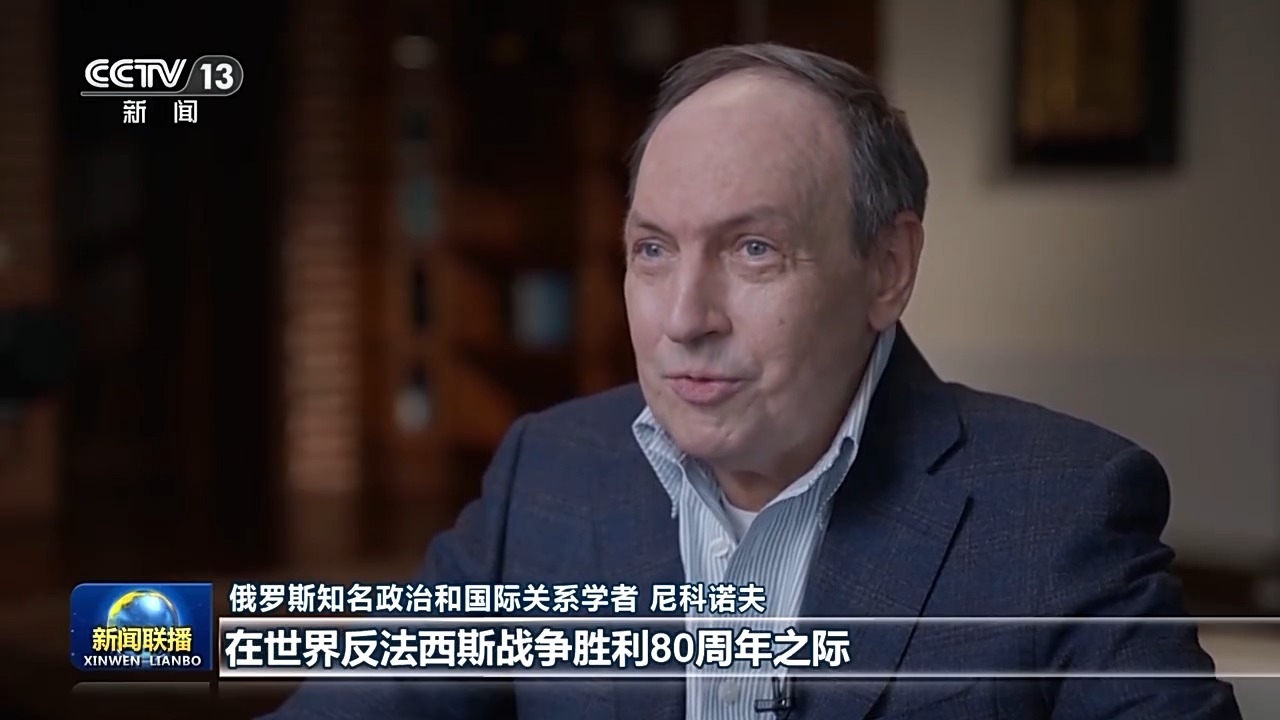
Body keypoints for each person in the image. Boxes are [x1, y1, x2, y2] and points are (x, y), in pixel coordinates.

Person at [263, 43, 1242, 720]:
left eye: (753, 249)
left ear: (887, 269)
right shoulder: (548, 473)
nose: (685, 315)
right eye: (652, 250)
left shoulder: (1059, 509)